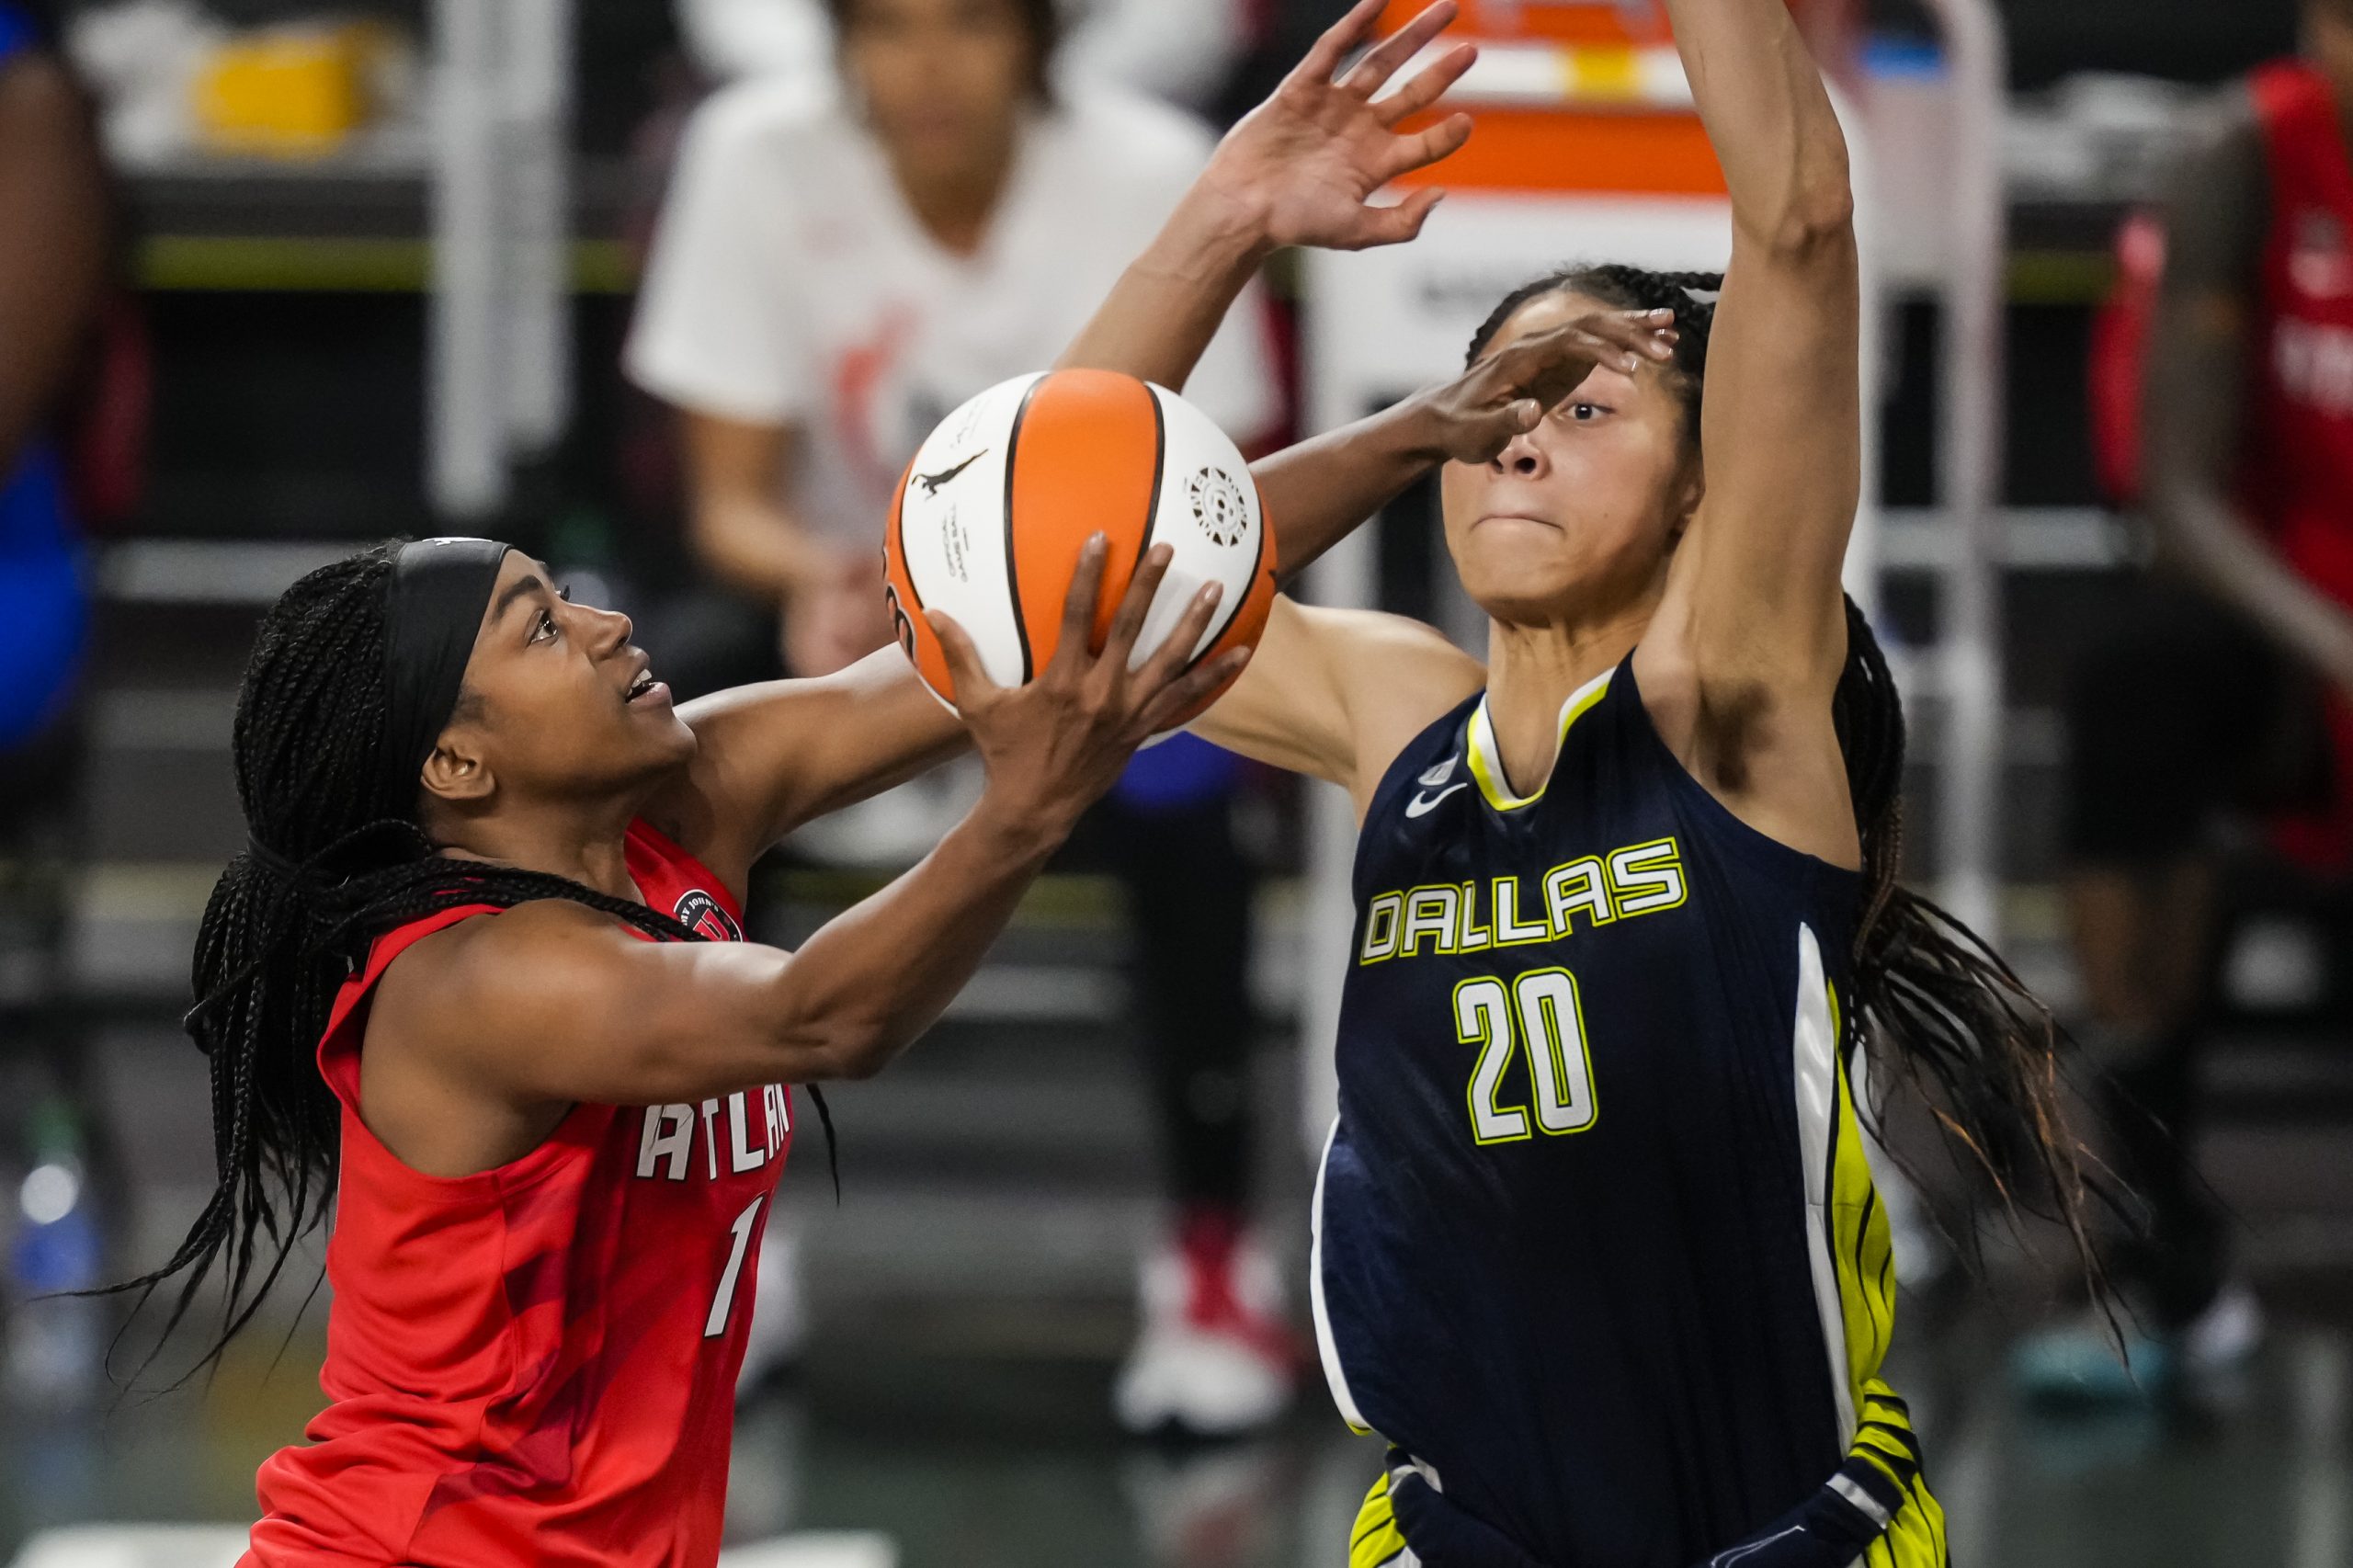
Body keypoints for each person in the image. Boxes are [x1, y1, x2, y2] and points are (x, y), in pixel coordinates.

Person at [117, 32, 1588, 1558]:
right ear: (456, 764)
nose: (612, 621)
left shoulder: (687, 796)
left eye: (572, 593)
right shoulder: (472, 983)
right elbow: (826, 1016)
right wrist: (1022, 809)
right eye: (542, 628)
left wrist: (1387, 392)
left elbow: (1029, 572)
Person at [1061, 0, 2109, 1560]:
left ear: (1703, 489)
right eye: (1495, 404)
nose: (1522, 442)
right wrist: (1221, 223)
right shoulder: (1394, 710)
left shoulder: (1729, 698)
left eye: (1586, 404)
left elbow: (1802, 218)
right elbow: (1047, 563)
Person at [625, 0, 1296, 1432]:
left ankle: (1212, 1254)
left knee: (1192, 769)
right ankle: (699, 1239)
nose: (927, 65)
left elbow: (1215, 484)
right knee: (666, 749)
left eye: (968, 25)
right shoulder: (752, 156)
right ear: (840, 42)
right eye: (889, 27)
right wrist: (825, 576)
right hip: (834, 614)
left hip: (1104, 613)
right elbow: (727, 499)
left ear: (1039, 39)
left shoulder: (1153, 167)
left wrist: (994, 602)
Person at [2022, 0, 2353, 1403]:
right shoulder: (2251, 162)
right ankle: (2163, 1249)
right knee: (2132, 680)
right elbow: (2176, 492)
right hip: (2292, 628)